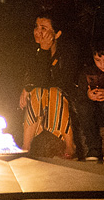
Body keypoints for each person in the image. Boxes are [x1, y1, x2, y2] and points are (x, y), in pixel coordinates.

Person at [19, 12, 76, 158]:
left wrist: (45, 51)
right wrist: (43, 51)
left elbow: (62, 82)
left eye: (43, 28)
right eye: (36, 27)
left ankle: (70, 145)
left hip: (64, 95)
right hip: (42, 97)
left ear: (56, 34)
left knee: (54, 92)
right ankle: (26, 146)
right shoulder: (32, 50)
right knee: (37, 92)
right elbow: (35, 80)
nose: (38, 31)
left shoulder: (67, 51)